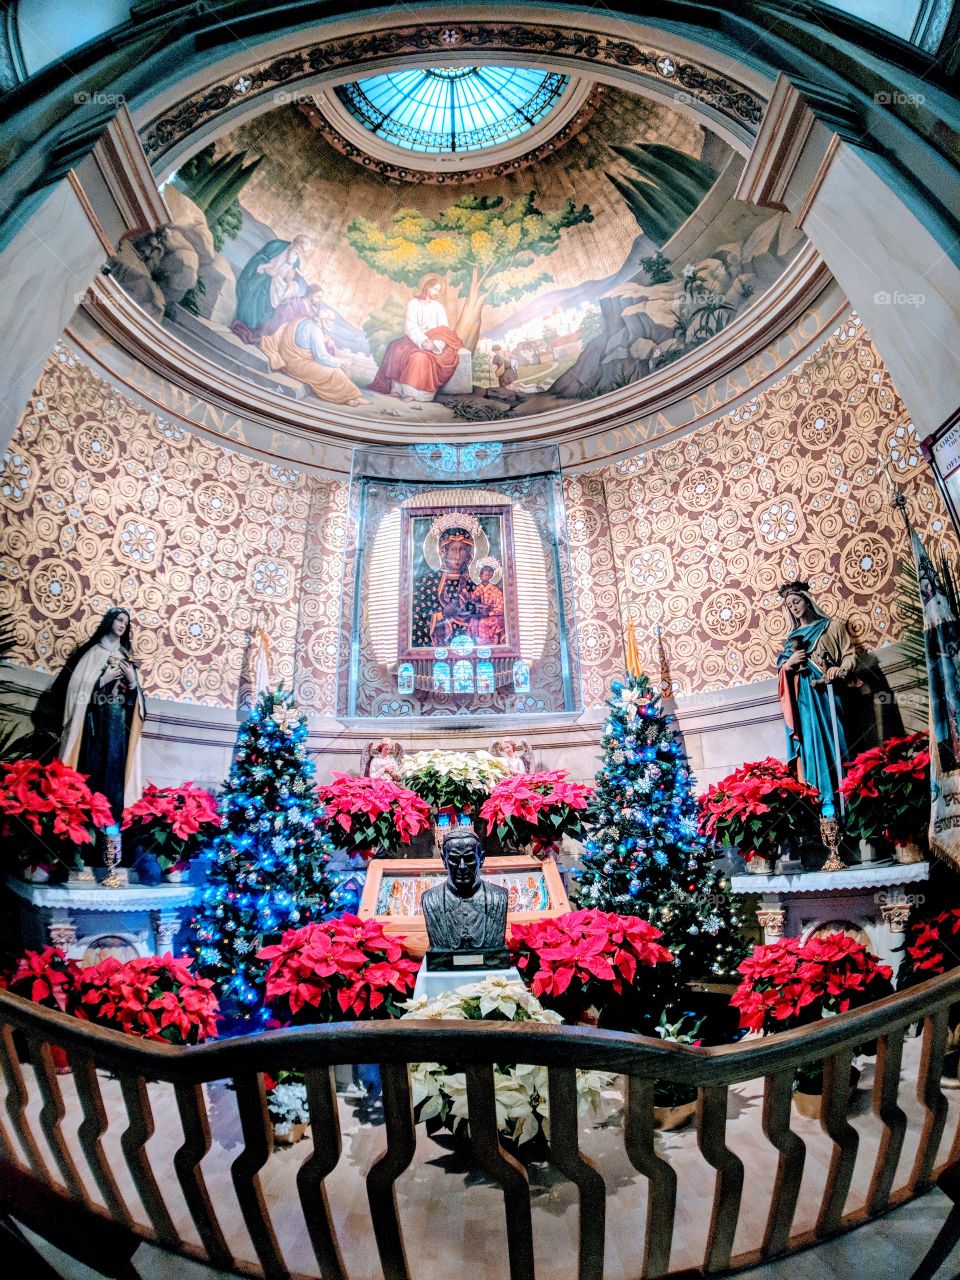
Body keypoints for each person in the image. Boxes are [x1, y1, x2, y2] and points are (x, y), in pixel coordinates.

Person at [33, 608, 145, 828]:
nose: (122, 624)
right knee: (91, 771)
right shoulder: (92, 653)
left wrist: (132, 682)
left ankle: (108, 830)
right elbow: (75, 690)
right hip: (93, 727)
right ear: (109, 621)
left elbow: (137, 703)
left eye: (126, 622)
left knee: (113, 778)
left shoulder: (125, 656)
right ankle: (85, 826)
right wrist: (102, 680)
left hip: (117, 727)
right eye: (119, 619)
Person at [776, 581, 855, 814]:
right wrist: (789, 665)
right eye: (789, 606)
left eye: (797, 602)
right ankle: (825, 806)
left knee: (838, 745)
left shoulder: (832, 628)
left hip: (829, 696)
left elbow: (850, 656)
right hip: (805, 703)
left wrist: (839, 670)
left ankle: (846, 803)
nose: (794, 608)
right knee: (811, 749)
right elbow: (783, 670)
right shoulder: (791, 640)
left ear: (808, 600)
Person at [259, 291, 370, 407]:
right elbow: (321, 357)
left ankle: (349, 397)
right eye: (330, 321)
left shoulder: (305, 321)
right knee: (336, 372)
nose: (332, 324)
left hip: (289, 356)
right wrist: (341, 361)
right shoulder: (316, 331)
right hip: (297, 363)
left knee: (335, 368)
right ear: (322, 319)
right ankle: (347, 397)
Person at [368, 275, 462, 402]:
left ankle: (413, 393)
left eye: (439, 291)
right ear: (427, 287)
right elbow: (410, 326)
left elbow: (444, 330)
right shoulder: (414, 303)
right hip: (417, 339)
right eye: (435, 289)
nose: (437, 293)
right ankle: (396, 390)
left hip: (435, 342)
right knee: (395, 349)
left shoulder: (439, 307)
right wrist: (422, 341)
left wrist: (434, 344)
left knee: (420, 357)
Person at [421, 827, 508, 952]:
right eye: (454, 859)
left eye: (469, 859)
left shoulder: (498, 897)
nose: (462, 867)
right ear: (444, 860)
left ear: (481, 859)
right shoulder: (430, 899)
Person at [411, 512, 481, 649]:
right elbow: (416, 620)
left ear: (469, 554)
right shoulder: (426, 583)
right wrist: (442, 615)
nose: (456, 556)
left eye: (462, 550)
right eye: (453, 549)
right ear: (443, 552)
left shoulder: (474, 587)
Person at [232, 235, 313, 344]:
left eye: (304, 252)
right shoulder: (276, 246)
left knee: (275, 312)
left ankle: (255, 333)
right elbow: (258, 259)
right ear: (295, 243)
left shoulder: (296, 261)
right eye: (300, 249)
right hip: (261, 280)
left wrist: (289, 281)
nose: (300, 253)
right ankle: (244, 327)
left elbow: (294, 281)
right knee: (255, 301)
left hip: (277, 289)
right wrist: (266, 269)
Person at [468, 556, 506, 646]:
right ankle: (474, 645)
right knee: (473, 621)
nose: (485, 576)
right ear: (480, 575)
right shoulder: (479, 588)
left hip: (494, 616)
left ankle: (486, 646)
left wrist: (489, 613)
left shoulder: (496, 590)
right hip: (481, 614)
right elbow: (473, 599)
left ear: (492, 576)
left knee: (483, 623)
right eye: (484, 573)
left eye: (489, 574)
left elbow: (501, 608)